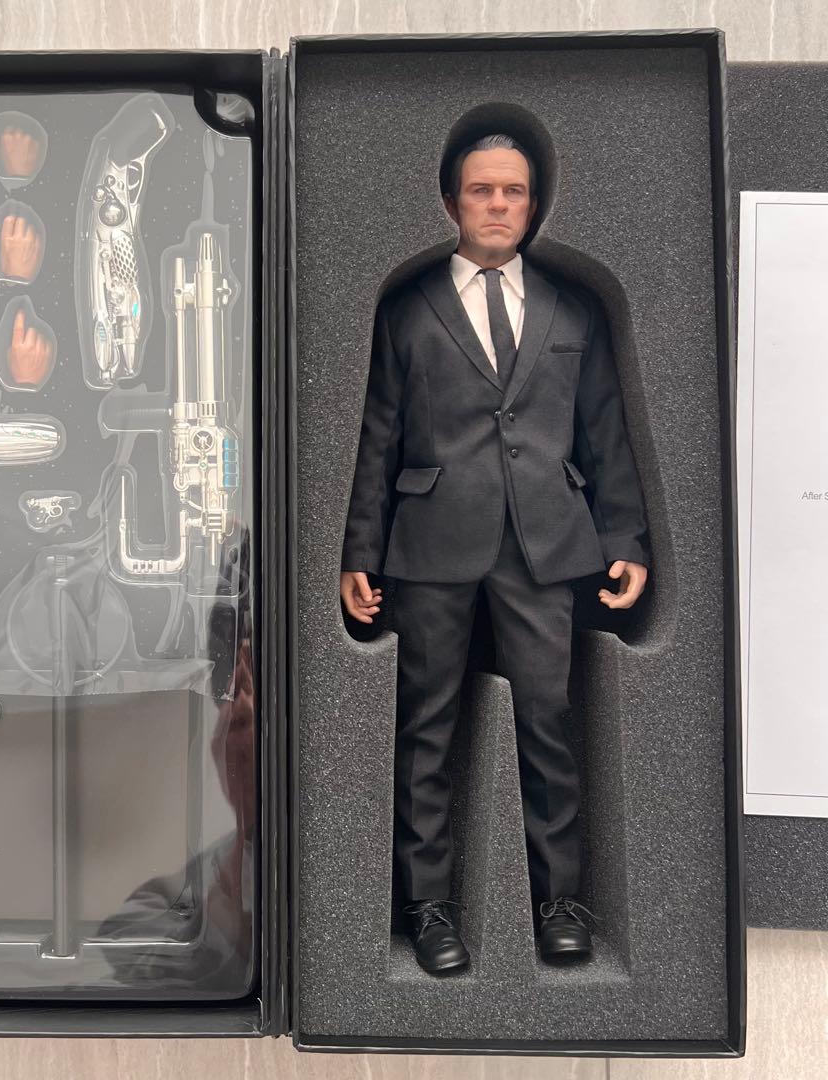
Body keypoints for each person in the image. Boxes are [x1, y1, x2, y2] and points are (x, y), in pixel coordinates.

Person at [340, 133, 650, 974]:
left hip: (547, 545)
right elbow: (376, 437)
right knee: (428, 729)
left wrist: (624, 538)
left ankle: (560, 903)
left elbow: (606, 430)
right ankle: (428, 908)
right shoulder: (407, 311)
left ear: (535, 202)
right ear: (450, 202)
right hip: (430, 546)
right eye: (482, 191)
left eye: (514, 191)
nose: (499, 205)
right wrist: (359, 549)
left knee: (549, 722)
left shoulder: (571, 310)